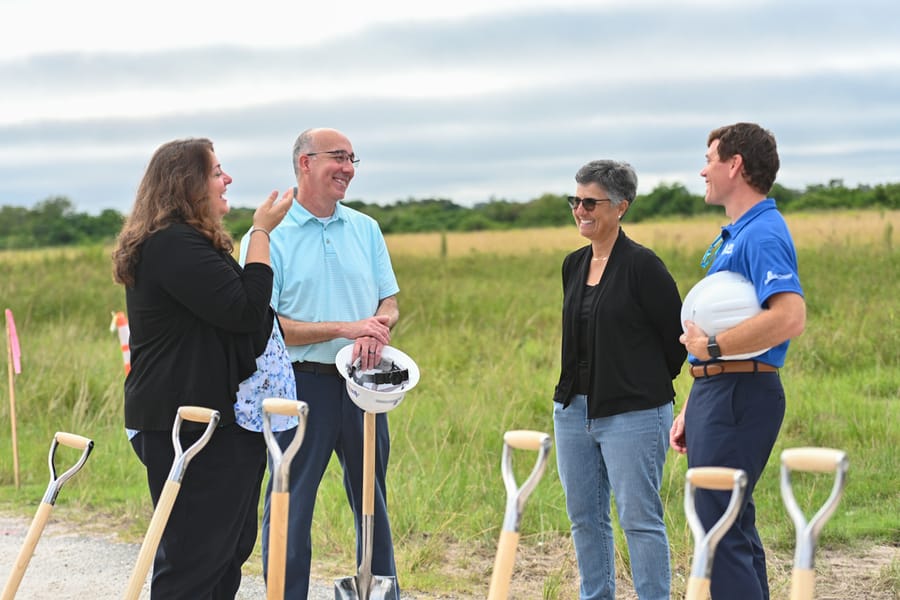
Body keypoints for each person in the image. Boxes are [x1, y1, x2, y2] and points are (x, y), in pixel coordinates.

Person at [112, 137, 291, 599]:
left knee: (227, 552)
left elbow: (241, 324)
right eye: (216, 172)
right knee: (194, 559)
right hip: (189, 423)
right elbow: (246, 311)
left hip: (219, 418)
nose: (226, 179)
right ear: (187, 184)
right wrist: (262, 236)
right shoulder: (172, 244)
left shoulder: (192, 243)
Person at [239, 127, 401, 599]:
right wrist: (345, 329)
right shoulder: (269, 235)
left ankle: (380, 591)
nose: (348, 168)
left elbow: (388, 299)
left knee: (372, 500)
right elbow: (265, 325)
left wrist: (380, 324)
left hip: (364, 384)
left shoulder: (365, 228)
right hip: (298, 385)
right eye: (338, 157)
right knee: (289, 499)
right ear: (305, 162)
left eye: (353, 158)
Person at [669, 122, 806, 599]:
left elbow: (789, 316)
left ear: (735, 165)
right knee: (730, 525)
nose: (702, 169)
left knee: (718, 528)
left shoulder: (763, 233)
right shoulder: (737, 233)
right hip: (717, 391)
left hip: (739, 393)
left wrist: (713, 351)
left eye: (710, 158)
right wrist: (694, 399)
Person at [552, 160, 686, 600]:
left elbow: (677, 341)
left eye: (591, 202)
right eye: (575, 200)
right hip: (574, 412)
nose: (580, 210)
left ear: (621, 206)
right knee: (585, 518)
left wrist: (637, 385)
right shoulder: (573, 264)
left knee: (639, 519)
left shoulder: (644, 266)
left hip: (634, 412)